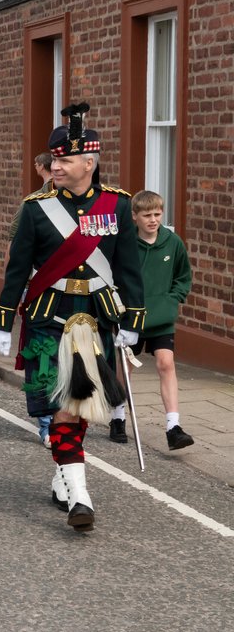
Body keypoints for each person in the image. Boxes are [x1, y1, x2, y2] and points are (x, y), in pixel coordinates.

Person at [0, 103, 145, 532]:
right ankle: (78, 491)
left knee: (77, 408)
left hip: (95, 318)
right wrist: (3, 322)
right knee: (56, 405)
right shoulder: (37, 208)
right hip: (47, 318)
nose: (55, 165)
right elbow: (17, 270)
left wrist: (133, 321)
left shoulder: (117, 206)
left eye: (65, 159)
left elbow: (130, 269)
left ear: (89, 163)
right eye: (54, 158)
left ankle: (69, 484)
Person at [118, 190, 193, 450]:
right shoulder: (125, 244)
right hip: (131, 318)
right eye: (147, 215)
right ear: (135, 217)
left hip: (161, 318)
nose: (153, 220)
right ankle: (118, 417)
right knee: (126, 370)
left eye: (157, 214)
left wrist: (172, 299)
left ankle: (174, 427)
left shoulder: (173, 243)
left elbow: (183, 276)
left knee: (166, 364)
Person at [9, 151, 56, 447]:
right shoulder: (34, 203)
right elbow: (16, 245)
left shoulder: (95, 204)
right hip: (39, 288)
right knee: (42, 358)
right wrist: (11, 290)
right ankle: (46, 424)